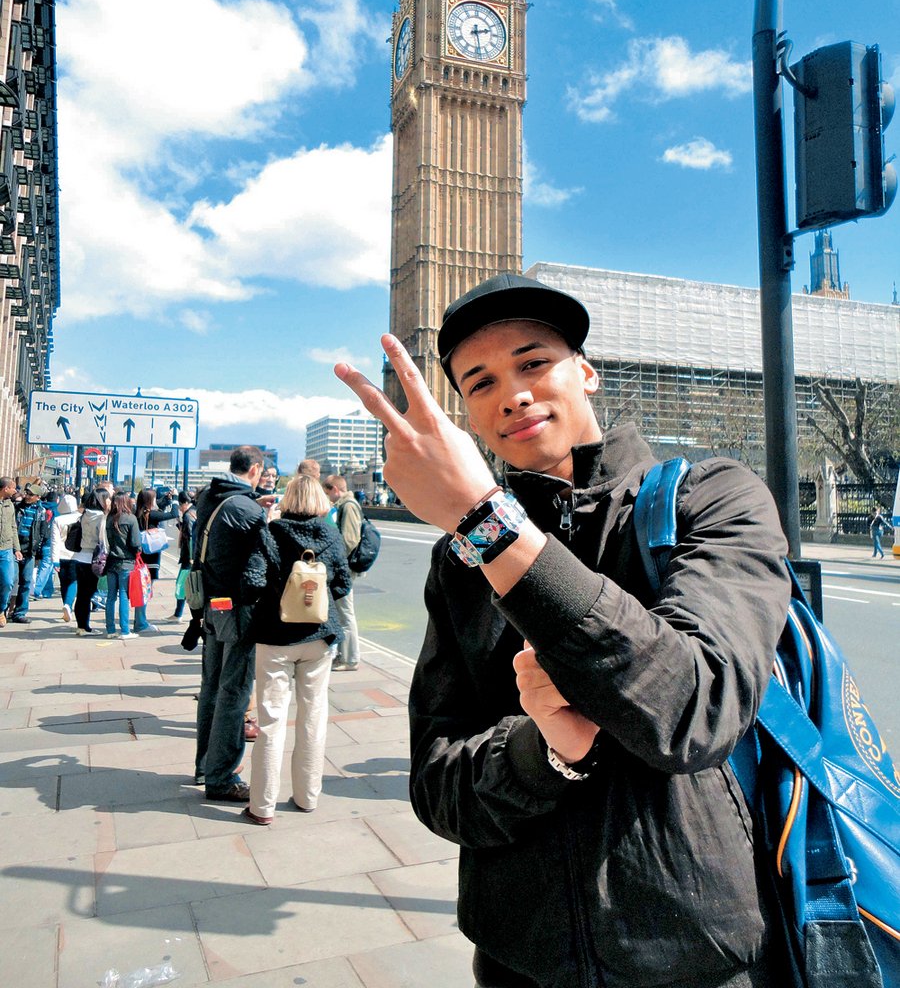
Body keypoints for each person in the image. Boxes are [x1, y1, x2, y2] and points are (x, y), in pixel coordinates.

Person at [334, 272, 792, 988]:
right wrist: (541, 754)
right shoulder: (459, 562)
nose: (511, 392)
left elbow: (695, 710)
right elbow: (435, 784)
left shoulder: (714, 496)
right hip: (520, 957)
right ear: (471, 420)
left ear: (586, 372)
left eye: (532, 362)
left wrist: (490, 523)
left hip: (693, 958)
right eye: (479, 383)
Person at [243, 474, 352, 825]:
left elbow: (253, 580)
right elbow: (343, 584)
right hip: (319, 637)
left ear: (288, 498)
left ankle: (262, 806)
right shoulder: (330, 534)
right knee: (314, 715)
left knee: (271, 719)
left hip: (275, 638)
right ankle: (306, 797)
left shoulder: (272, 533)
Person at [193, 445, 271, 803]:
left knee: (211, 686)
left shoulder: (210, 496)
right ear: (255, 469)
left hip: (211, 603)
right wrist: (265, 520)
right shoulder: (246, 507)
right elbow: (262, 564)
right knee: (235, 691)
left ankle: (205, 765)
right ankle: (222, 777)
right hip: (238, 607)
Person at [322, 475, 362, 671]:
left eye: (328, 493)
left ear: (335, 489)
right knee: (341, 613)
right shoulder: (343, 505)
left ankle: (350, 659)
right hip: (341, 568)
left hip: (344, 569)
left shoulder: (348, 506)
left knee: (345, 613)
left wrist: (335, 560)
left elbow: (350, 540)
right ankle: (344, 656)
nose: (328, 497)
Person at [134, 487, 178, 633]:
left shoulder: (138, 513)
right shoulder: (152, 515)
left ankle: (139, 620)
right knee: (145, 590)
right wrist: (176, 500)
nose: (155, 501)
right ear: (149, 501)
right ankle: (141, 623)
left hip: (141, 557)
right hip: (152, 557)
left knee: (141, 589)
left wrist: (167, 499)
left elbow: (160, 505)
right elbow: (173, 513)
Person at [9, 482, 52, 623]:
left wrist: (37, 552)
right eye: (27, 493)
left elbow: (43, 533)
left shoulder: (41, 512)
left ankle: (20, 612)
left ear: (38, 497)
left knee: (26, 582)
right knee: (9, 580)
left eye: (31, 494)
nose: (27, 496)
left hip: (29, 551)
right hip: (14, 548)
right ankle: (4, 610)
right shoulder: (16, 508)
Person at [72, 488, 110, 636]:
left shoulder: (85, 514)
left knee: (82, 594)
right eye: (107, 498)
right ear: (102, 500)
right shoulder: (101, 517)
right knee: (89, 593)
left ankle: (81, 626)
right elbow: (104, 541)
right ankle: (84, 627)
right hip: (94, 559)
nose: (109, 501)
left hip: (80, 556)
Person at [104, 492, 141, 638]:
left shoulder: (109, 518)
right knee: (124, 595)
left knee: (110, 596)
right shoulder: (131, 519)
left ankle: (110, 630)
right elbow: (136, 543)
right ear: (126, 502)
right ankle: (125, 630)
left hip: (111, 562)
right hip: (126, 562)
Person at [168, 491, 196, 621]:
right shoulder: (194, 512)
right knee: (186, 585)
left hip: (188, 558)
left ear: (185, 503)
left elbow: (190, 537)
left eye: (180, 505)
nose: (179, 508)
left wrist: (191, 557)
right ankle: (178, 613)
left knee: (182, 584)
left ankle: (179, 615)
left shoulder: (188, 516)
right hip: (191, 557)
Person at [54, 493, 81, 623]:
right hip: (76, 554)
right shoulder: (80, 518)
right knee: (73, 581)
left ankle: (66, 605)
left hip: (61, 555)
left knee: (64, 582)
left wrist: (54, 559)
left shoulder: (57, 520)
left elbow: (55, 541)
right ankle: (68, 605)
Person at [0, 476, 23, 626]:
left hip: (6, 549)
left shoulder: (10, 505)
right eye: (13, 487)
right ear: (5, 488)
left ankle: (1, 609)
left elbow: (13, 527)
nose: (15, 490)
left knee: (8, 582)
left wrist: (17, 548)